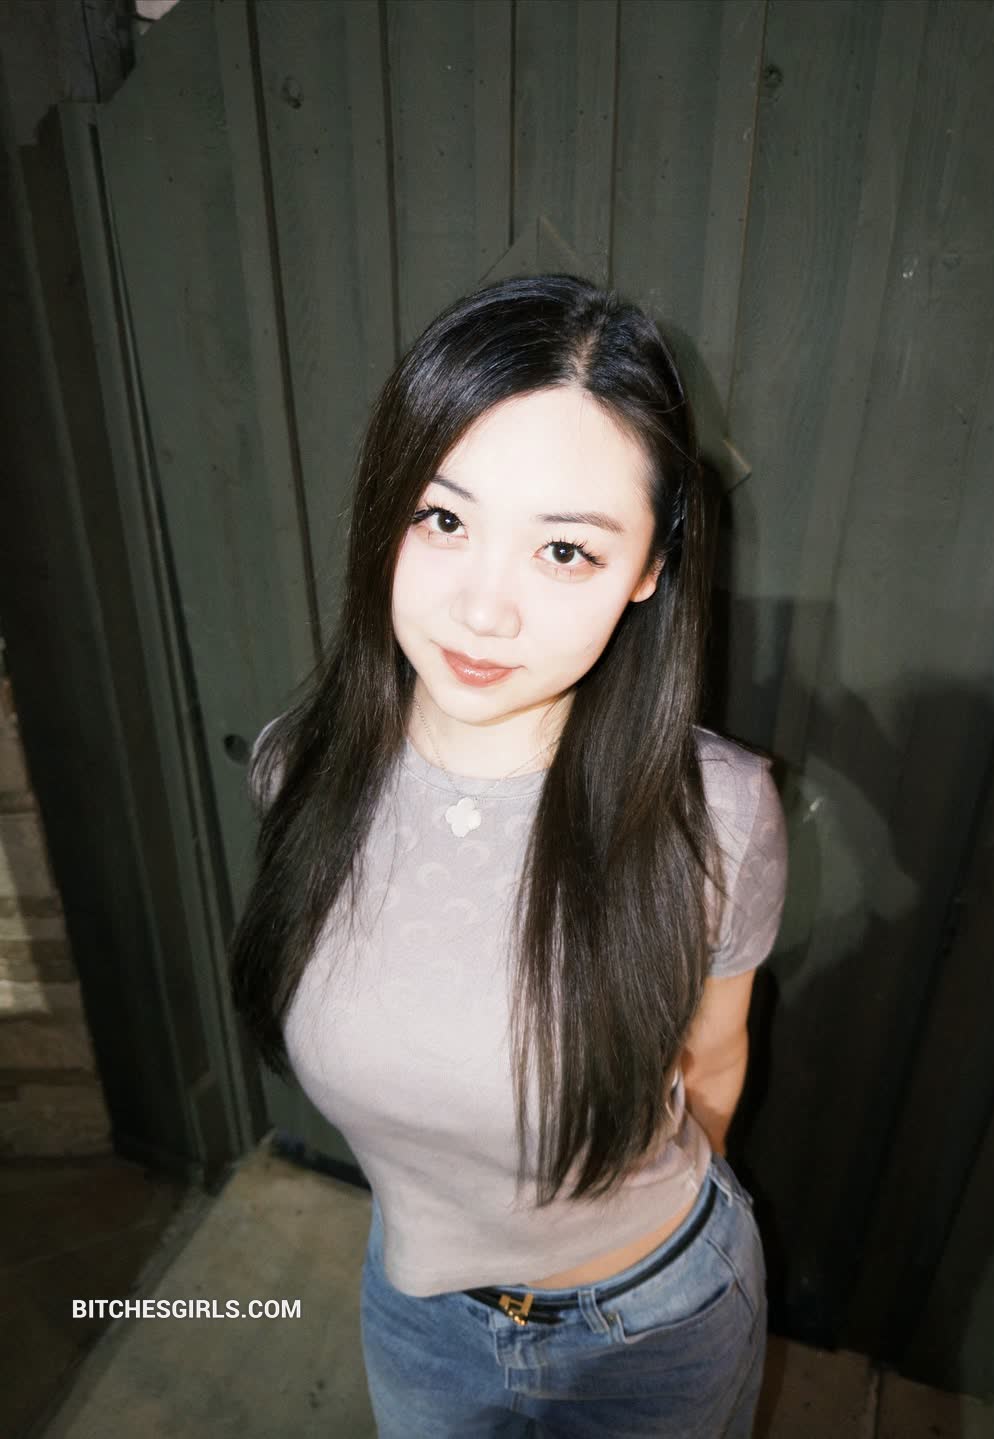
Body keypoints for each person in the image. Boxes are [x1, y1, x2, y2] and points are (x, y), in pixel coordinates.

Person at [230, 273, 788, 1437]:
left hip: (655, 1322)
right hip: (417, 1312)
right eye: (444, 520)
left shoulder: (717, 813)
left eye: (565, 550)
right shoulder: (300, 769)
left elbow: (714, 1062)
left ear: (649, 570)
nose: (483, 610)